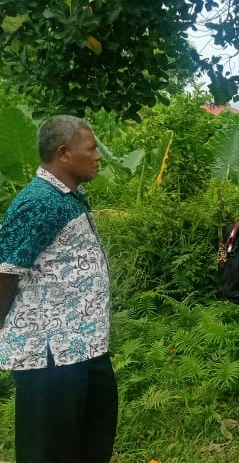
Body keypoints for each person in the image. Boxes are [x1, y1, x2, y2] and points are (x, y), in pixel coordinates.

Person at [0, 115, 117, 462]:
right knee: (49, 452)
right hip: (50, 354)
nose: (98, 156)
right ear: (64, 154)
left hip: (85, 346)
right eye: (91, 148)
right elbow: (4, 273)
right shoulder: (38, 201)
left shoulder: (68, 196)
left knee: (91, 444)